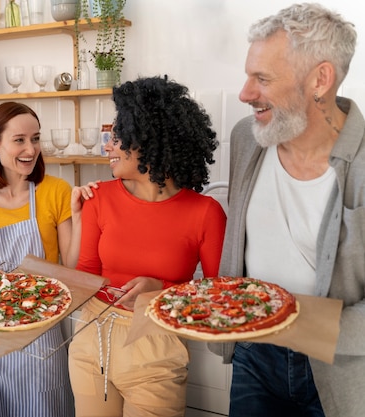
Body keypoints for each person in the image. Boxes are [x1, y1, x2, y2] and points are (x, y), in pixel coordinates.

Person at [208, 3, 365, 417]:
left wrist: (294, 322)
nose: (245, 93)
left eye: (262, 78)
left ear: (320, 79)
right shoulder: (248, 137)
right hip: (253, 358)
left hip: (339, 371)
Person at [68, 75, 227, 417]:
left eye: (118, 135)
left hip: (157, 348)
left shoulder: (206, 213)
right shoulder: (99, 198)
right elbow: (84, 276)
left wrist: (162, 290)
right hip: (92, 338)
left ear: (149, 141)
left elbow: (219, 298)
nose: (108, 145)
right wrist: (76, 222)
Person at [0, 101, 75, 417]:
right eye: (19, 140)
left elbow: (72, 266)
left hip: (39, 333)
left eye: (35, 138)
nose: (31, 148)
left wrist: (79, 214)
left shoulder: (57, 192)